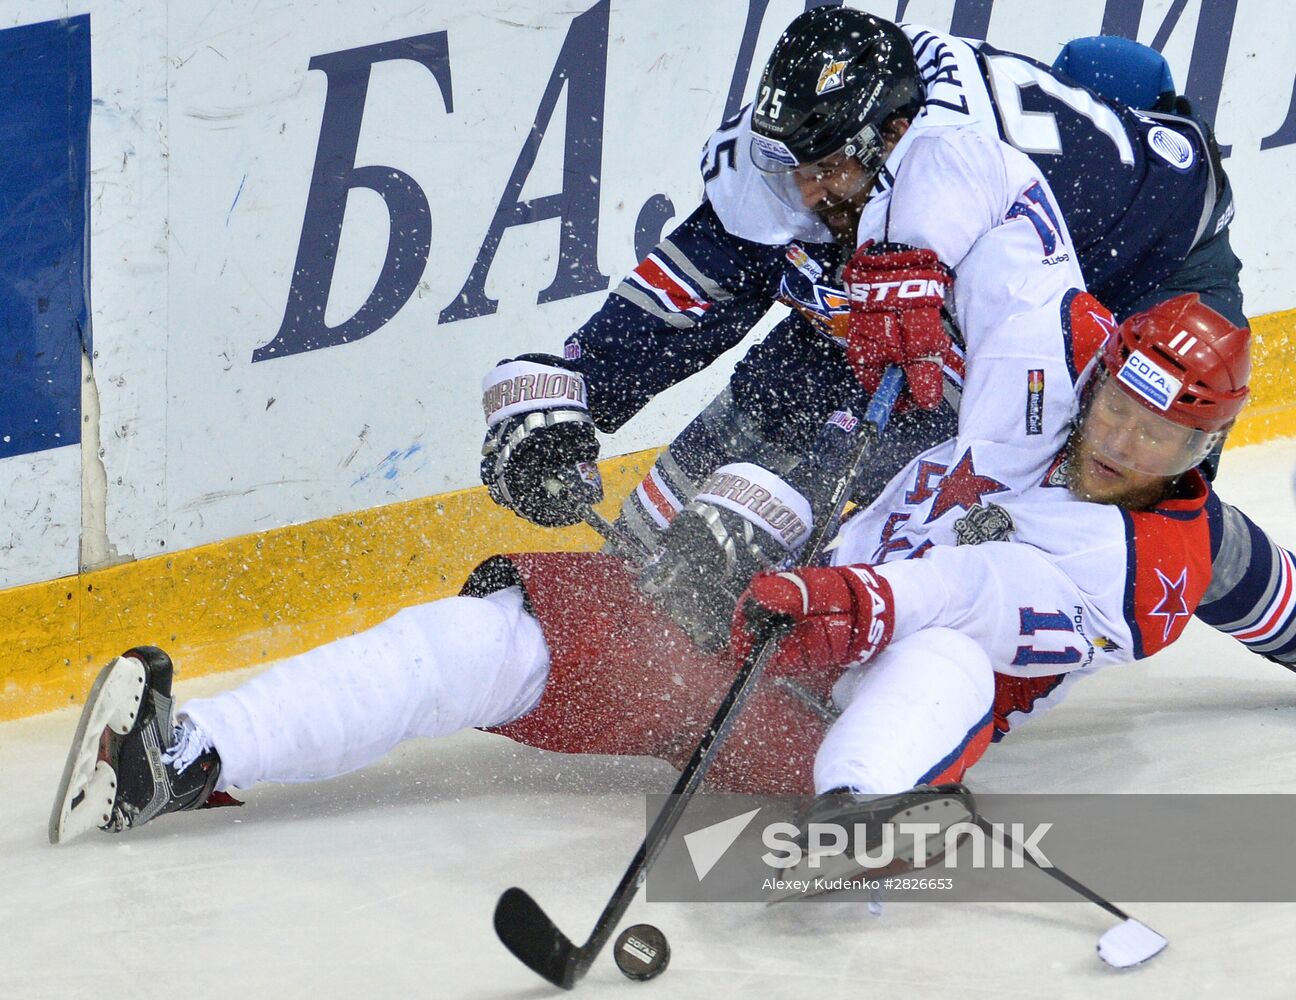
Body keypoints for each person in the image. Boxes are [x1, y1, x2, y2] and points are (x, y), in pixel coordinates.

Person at [50, 284, 1253, 844]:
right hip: (747, 637)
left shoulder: (1143, 560)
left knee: (935, 650)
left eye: (1161, 436)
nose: (1118, 442)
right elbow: (1005, 236)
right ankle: (194, 752)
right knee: (484, 640)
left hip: (834, 711)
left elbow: (974, 595)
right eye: (1118, 408)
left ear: (1206, 446)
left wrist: (851, 600)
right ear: (1102, 373)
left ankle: (858, 822)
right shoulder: (1062, 346)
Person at [480, 7, 1291, 667]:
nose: (803, 187)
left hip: (1147, 264)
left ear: (897, 138)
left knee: (1123, 493)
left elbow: (960, 427)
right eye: (792, 165)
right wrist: (577, 390)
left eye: (826, 168)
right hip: (936, 275)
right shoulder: (821, 141)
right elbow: (714, 276)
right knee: (813, 355)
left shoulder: (980, 203)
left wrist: (798, 522)